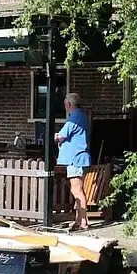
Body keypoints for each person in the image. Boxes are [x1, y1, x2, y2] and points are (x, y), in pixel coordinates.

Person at [54, 92, 91, 231]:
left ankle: (83, 222)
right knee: (78, 189)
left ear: (68, 104)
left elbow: (62, 136)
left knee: (76, 190)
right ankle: (78, 220)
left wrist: (56, 136)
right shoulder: (82, 116)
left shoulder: (73, 117)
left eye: (65, 104)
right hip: (82, 158)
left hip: (75, 158)